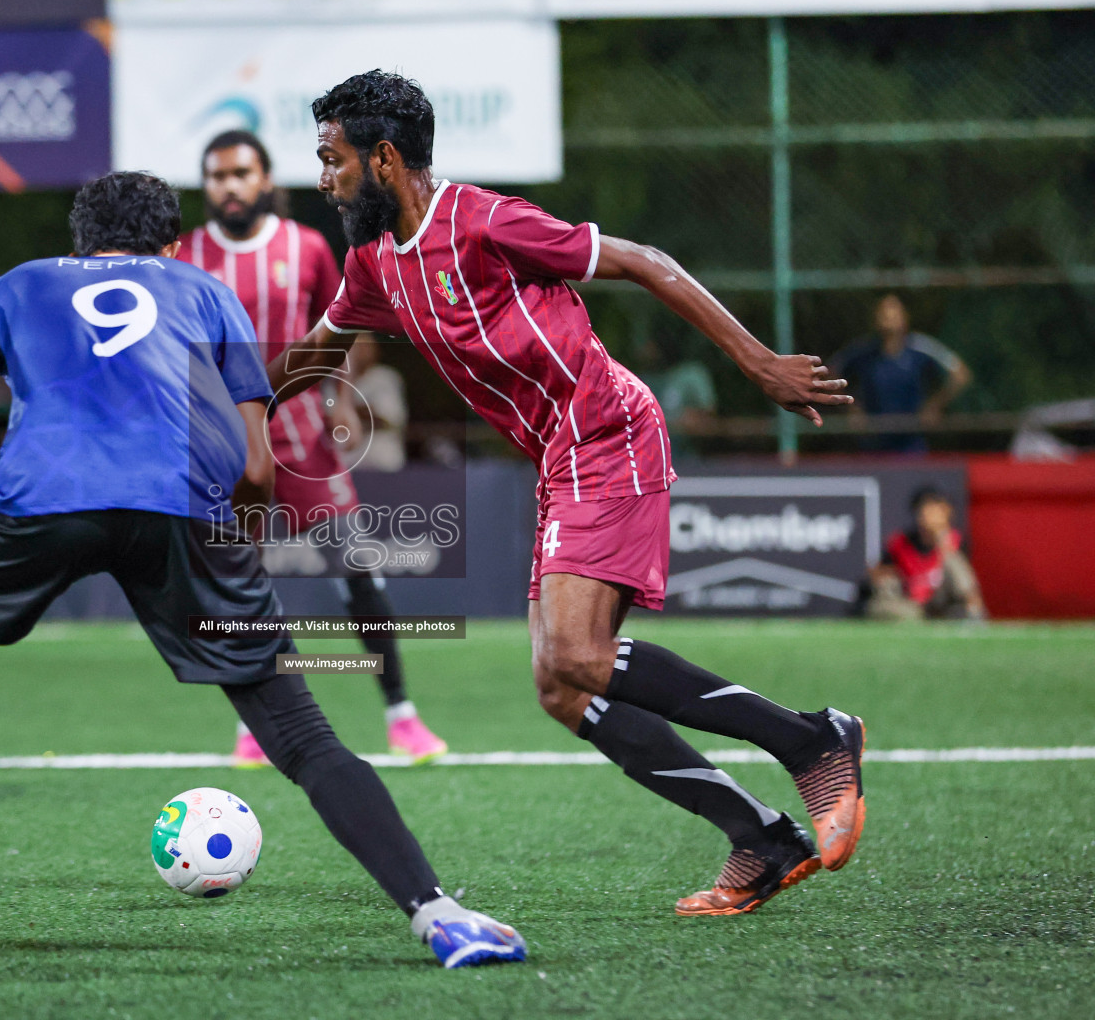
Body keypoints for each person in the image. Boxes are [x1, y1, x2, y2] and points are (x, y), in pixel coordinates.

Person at [0, 171, 523, 969]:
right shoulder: (204, 290)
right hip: (182, 507)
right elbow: (257, 466)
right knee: (303, 736)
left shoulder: (25, 283)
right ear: (170, 242)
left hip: (44, 495)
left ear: (79, 242)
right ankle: (440, 914)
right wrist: (233, 550)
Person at [272, 70, 867, 917]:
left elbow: (642, 261)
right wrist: (228, 409)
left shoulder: (480, 221)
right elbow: (314, 354)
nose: (323, 177)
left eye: (332, 159)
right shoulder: (373, 264)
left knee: (578, 658)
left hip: (607, 430)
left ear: (387, 158)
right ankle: (760, 835)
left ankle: (812, 739)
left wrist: (756, 361)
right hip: (559, 460)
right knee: (563, 690)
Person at [178, 131, 447, 767]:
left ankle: (402, 716)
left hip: (303, 437)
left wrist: (341, 403)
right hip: (225, 442)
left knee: (357, 570)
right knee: (241, 584)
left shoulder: (305, 247)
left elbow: (344, 324)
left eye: (242, 172)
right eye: (217, 176)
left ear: (266, 178)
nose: (230, 185)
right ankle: (257, 725)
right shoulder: (185, 256)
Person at [830, 294, 972, 453]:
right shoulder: (864, 351)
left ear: (905, 317)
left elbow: (960, 374)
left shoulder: (920, 347)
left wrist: (934, 405)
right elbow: (831, 372)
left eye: (893, 312)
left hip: (911, 442)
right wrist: (852, 408)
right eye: (883, 312)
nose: (888, 317)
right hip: (873, 442)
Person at [865, 487, 986, 621]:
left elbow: (962, 580)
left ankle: (973, 613)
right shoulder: (900, 543)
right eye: (927, 509)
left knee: (954, 564)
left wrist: (942, 539)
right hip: (911, 604)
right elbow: (880, 576)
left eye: (937, 510)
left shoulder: (955, 541)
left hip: (941, 602)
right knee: (881, 606)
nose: (930, 515)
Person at [345, 334, 409, 472]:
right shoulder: (334, 380)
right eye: (356, 347)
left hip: (382, 458)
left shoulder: (386, 377)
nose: (361, 351)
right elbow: (326, 418)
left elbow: (388, 419)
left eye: (366, 346)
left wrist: (346, 409)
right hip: (347, 459)